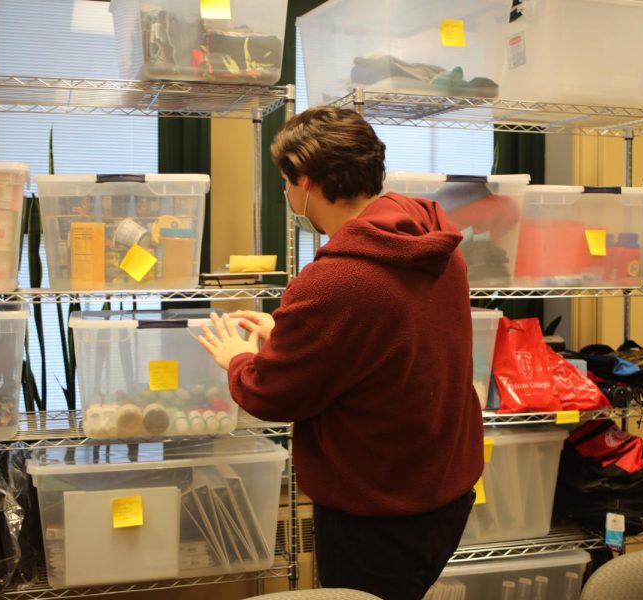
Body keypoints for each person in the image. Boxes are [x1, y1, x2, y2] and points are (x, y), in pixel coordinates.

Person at [196, 106, 483, 600]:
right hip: (445, 494)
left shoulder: (337, 280)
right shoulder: (438, 246)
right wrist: (289, 332)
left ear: (304, 181)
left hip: (378, 513)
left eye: (286, 182)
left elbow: (274, 395)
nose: (287, 194)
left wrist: (239, 360)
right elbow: (385, 347)